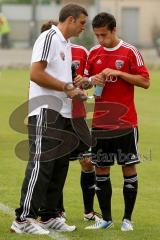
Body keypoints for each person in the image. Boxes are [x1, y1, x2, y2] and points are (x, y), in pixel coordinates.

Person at [10, 4, 88, 235]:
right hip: (45, 110)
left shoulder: (65, 44)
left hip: (63, 112)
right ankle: (23, 219)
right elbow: (36, 73)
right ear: (71, 19)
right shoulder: (49, 37)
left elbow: (62, 80)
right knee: (42, 164)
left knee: (59, 165)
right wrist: (66, 87)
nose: (84, 27)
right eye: (82, 22)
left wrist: (75, 88)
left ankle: (49, 215)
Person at [75, 12, 150, 231]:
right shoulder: (94, 52)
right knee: (101, 171)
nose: (100, 40)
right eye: (97, 35)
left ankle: (128, 219)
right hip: (100, 124)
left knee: (128, 168)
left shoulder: (129, 51)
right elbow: (86, 84)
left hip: (125, 122)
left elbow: (145, 81)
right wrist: (90, 80)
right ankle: (106, 219)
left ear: (114, 30)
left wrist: (117, 72)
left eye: (104, 35)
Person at [40, 20, 101, 222]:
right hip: (54, 114)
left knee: (87, 161)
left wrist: (83, 80)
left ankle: (89, 211)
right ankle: (57, 211)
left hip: (77, 115)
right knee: (57, 164)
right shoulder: (42, 52)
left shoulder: (81, 51)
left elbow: (90, 82)